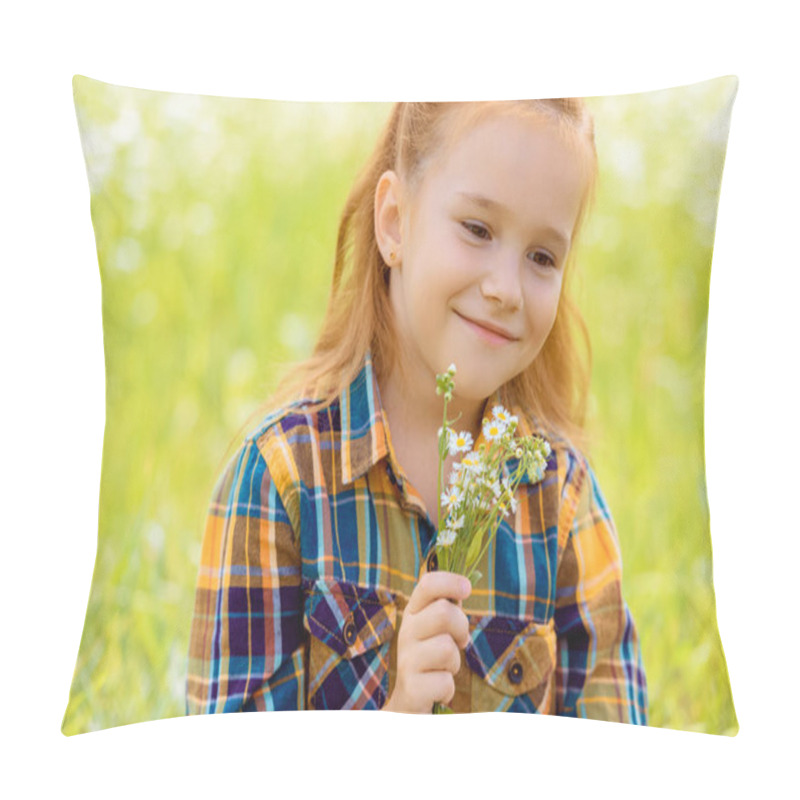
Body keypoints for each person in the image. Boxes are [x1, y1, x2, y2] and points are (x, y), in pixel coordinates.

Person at [186, 100, 648, 720]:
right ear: (395, 221)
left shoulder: (560, 499)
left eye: (542, 257)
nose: (505, 289)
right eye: (478, 230)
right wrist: (398, 718)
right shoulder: (281, 480)